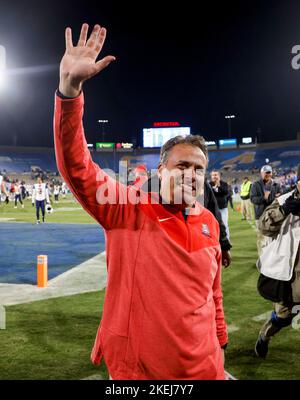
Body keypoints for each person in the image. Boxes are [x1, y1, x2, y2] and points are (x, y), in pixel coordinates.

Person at [54, 23, 228, 380]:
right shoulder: (126, 208)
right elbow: (77, 166)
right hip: (142, 373)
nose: (191, 175)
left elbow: (213, 294)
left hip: (206, 366)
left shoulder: (209, 221)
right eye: (182, 165)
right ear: (160, 170)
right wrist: (70, 92)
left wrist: (220, 340)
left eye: (199, 168)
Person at [142, 175, 232, 267]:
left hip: (196, 256)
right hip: (162, 255)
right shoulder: (152, 184)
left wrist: (224, 246)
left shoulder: (203, 185)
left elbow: (215, 215)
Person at [254, 176, 300, 358]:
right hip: (289, 276)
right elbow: (264, 226)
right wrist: (284, 210)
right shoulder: (283, 200)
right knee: (282, 317)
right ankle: (265, 336)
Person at [250, 165, 281, 255]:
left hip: (274, 215)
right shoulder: (255, 185)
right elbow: (252, 199)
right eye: (265, 172)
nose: (267, 174)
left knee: (274, 237)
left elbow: (280, 197)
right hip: (261, 215)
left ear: (271, 173)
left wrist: (278, 198)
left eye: (269, 172)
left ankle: (272, 257)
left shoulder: (276, 185)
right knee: (262, 238)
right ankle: (262, 258)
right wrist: (263, 198)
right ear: (261, 173)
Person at [209, 171, 230, 240]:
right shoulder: (208, 185)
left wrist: (219, 185)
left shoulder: (224, 184)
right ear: (211, 177)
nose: (214, 177)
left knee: (224, 225)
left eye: (216, 175)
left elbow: (226, 192)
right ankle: (215, 240)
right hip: (212, 209)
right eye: (213, 175)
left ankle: (227, 240)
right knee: (212, 226)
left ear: (219, 176)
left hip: (222, 209)